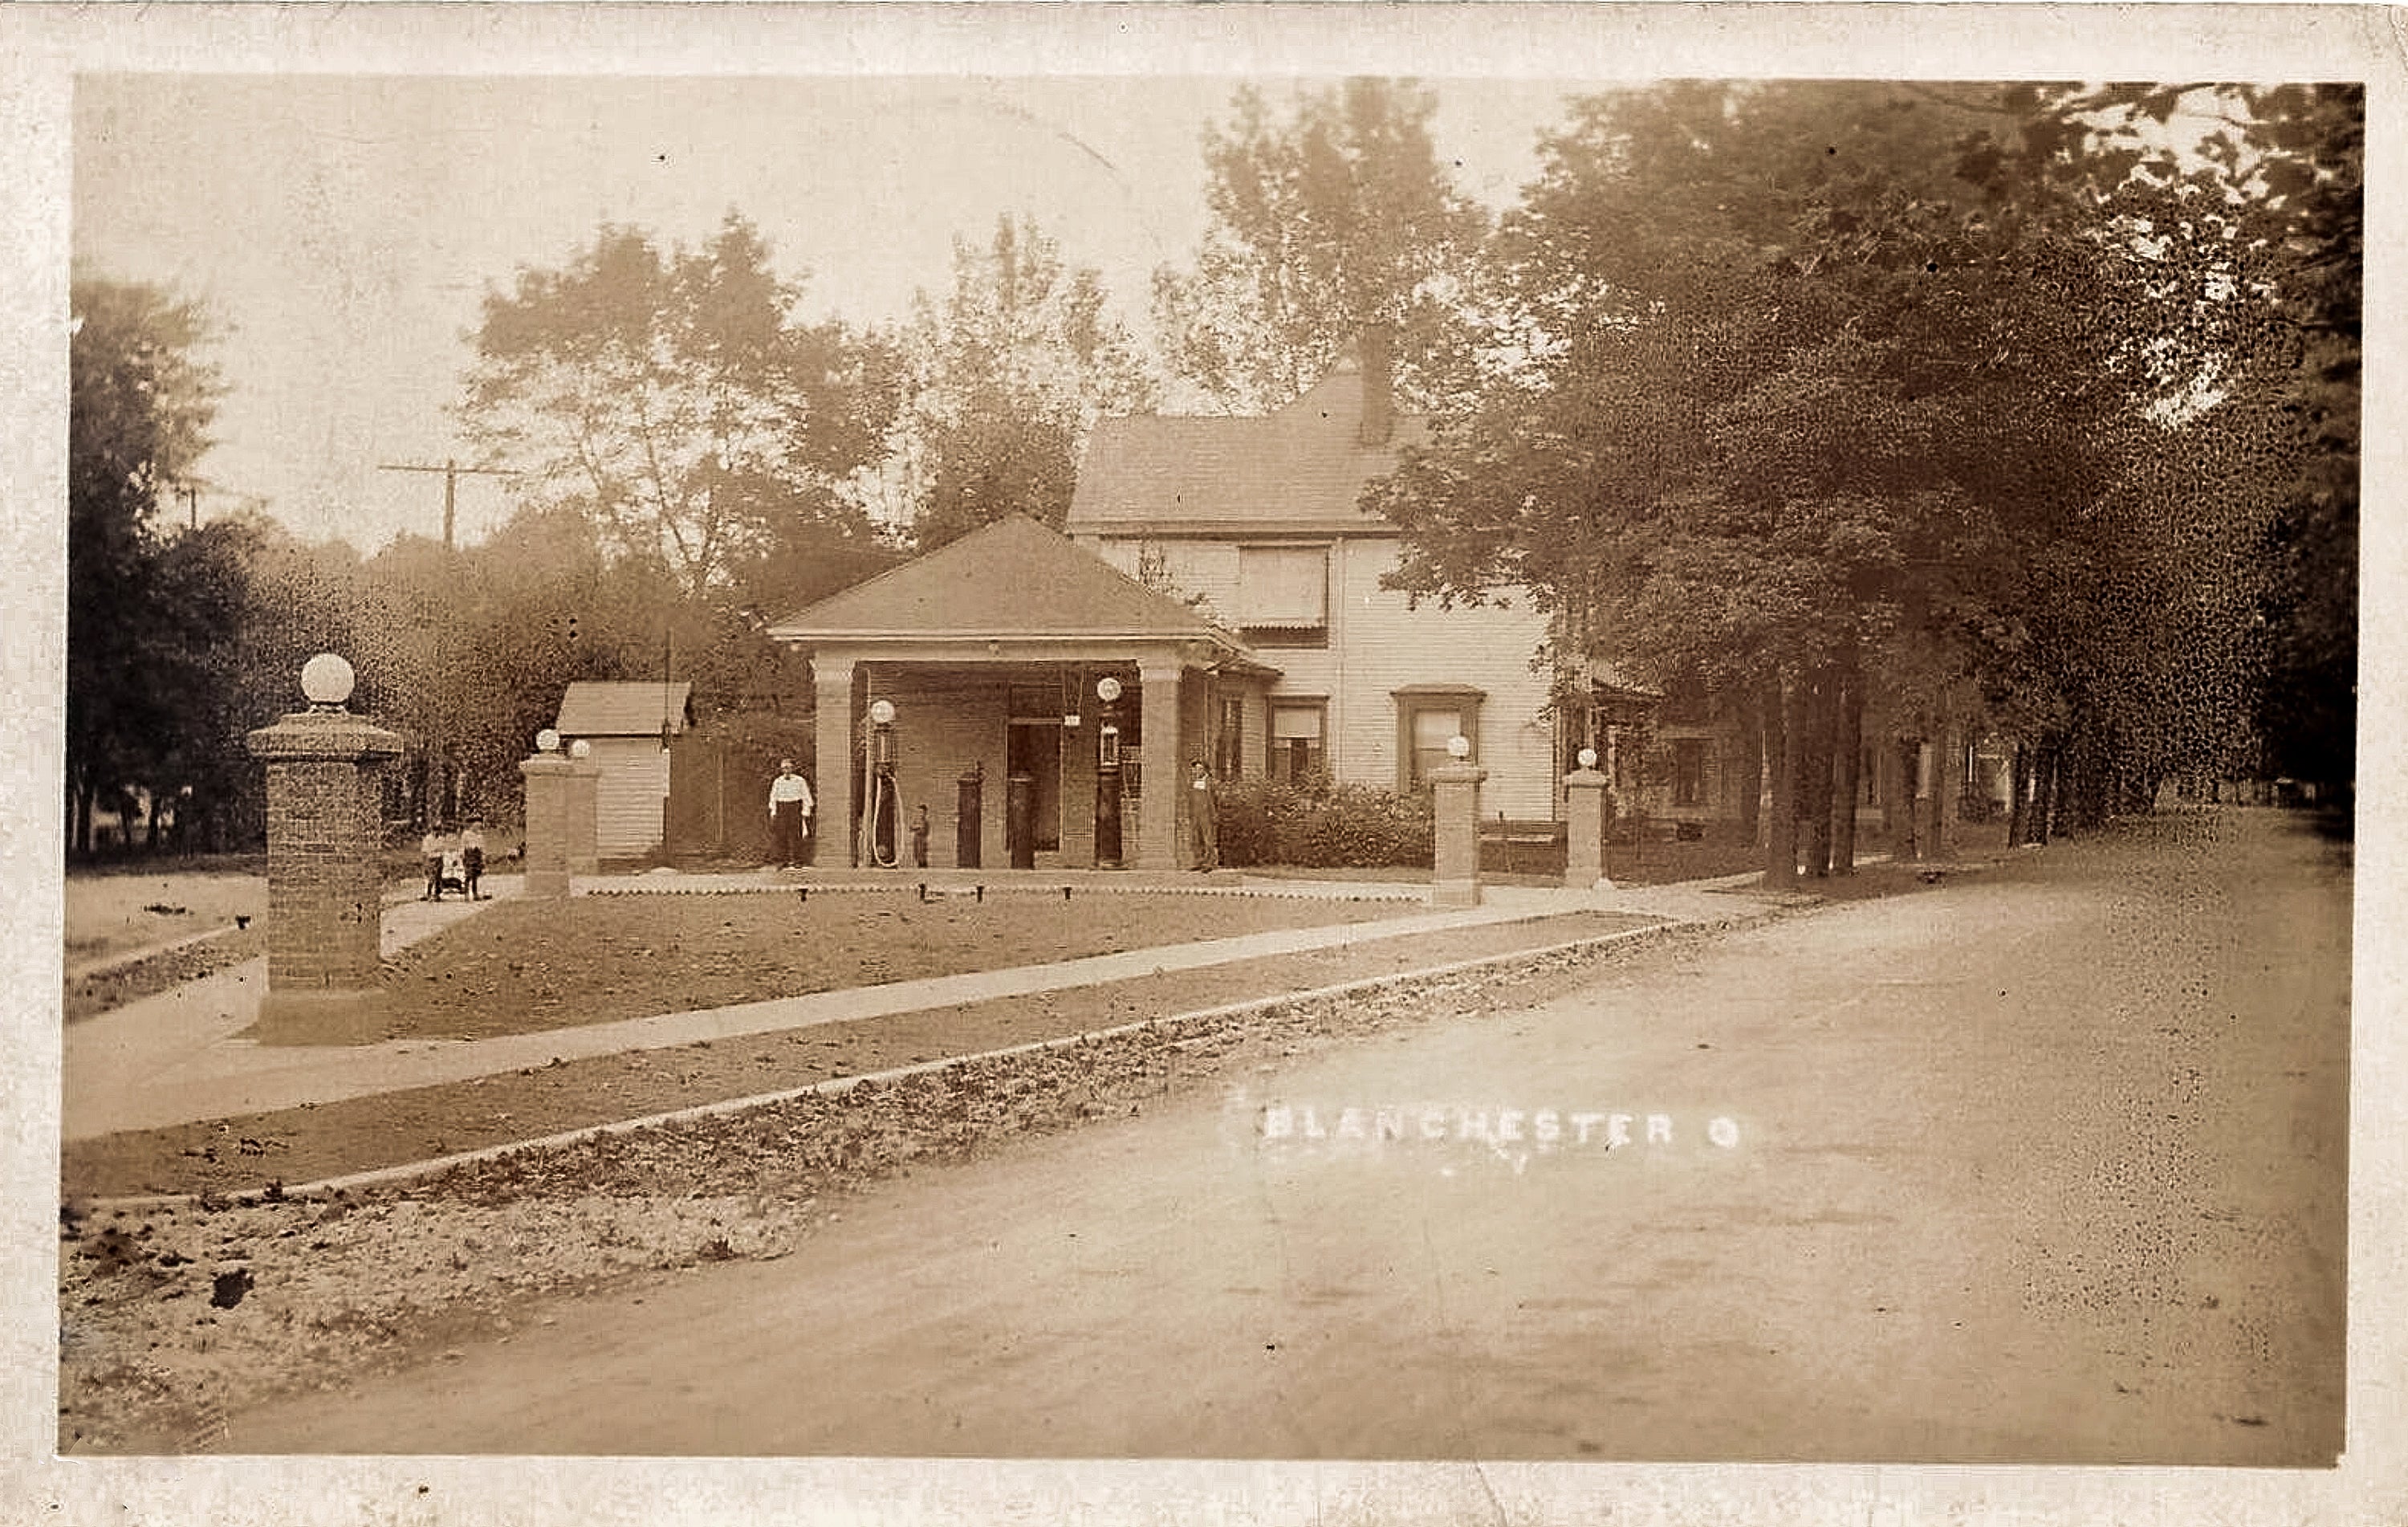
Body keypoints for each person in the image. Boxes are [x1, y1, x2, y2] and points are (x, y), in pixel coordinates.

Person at [768, 758, 815, 868]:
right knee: (781, 835)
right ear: (781, 769)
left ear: (793, 768)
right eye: (784, 768)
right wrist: (774, 812)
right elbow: (773, 798)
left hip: (795, 807)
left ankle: (797, 860)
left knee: (796, 835)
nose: (787, 770)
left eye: (789, 768)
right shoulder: (778, 781)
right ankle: (782, 860)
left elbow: (806, 796)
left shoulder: (800, 781)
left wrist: (805, 811)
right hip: (782, 807)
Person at [1187, 759, 1220, 872]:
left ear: (1205, 770)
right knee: (1196, 838)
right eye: (1195, 769)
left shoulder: (1210, 782)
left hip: (1207, 814)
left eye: (1200, 769)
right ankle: (1198, 861)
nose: (1197, 771)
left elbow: (1215, 800)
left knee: (1208, 839)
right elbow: (1191, 799)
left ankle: (1209, 863)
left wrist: (1214, 814)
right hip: (1195, 814)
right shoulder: (1193, 782)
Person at [459, 819, 487, 901]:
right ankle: (466, 894)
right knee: (468, 875)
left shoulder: (480, 836)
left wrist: (483, 858)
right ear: (473, 826)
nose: (479, 829)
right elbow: (462, 845)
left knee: (475, 876)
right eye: (478, 827)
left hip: (477, 856)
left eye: (480, 828)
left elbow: (482, 848)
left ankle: (475, 893)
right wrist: (462, 854)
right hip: (468, 856)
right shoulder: (466, 834)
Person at [421, 825, 446, 901]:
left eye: (438, 830)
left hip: (439, 859)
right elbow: (425, 850)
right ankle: (429, 893)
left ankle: (437, 894)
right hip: (431, 859)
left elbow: (442, 849)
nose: (437, 832)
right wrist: (434, 850)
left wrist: (436, 850)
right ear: (432, 830)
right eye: (435, 830)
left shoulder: (441, 839)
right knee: (431, 877)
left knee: (438, 877)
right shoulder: (428, 839)